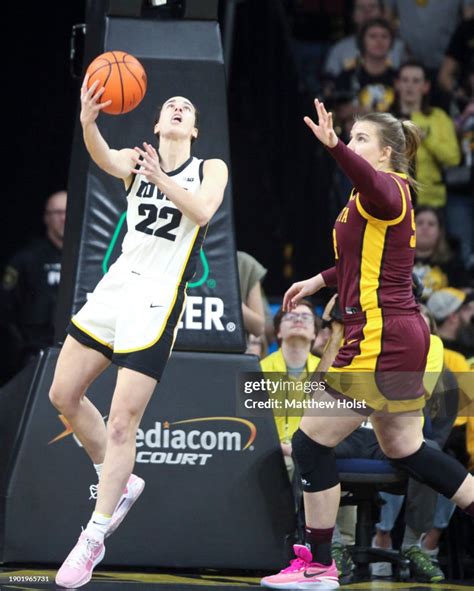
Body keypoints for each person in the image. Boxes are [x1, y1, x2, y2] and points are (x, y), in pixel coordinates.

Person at [260, 100, 474, 590]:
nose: (352, 144)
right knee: (404, 446)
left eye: (362, 139)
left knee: (310, 440)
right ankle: (319, 562)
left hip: (381, 336)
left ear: (387, 154)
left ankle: (317, 564)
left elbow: (370, 184)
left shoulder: (387, 190)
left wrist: (335, 145)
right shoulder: (373, 201)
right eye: (351, 137)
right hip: (396, 333)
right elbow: (362, 262)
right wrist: (319, 279)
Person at [50, 79, 228, 589]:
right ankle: (118, 477)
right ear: (156, 123)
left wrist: (159, 178)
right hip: (117, 287)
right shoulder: (137, 158)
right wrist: (88, 122)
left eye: (186, 106)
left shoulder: (208, 168)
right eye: (170, 104)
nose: (177, 107)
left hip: (158, 298)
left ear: (193, 129)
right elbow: (104, 156)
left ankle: (94, 537)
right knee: (63, 395)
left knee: (124, 422)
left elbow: (203, 211)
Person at [0, 190, 67, 383]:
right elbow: (6, 309)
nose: (63, 218)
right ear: (47, 217)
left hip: (76, 350)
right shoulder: (27, 259)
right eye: (57, 213)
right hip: (34, 356)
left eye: (67, 211)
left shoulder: (91, 258)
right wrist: (21, 349)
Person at [260, 300, 320, 479]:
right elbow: (250, 426)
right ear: (278, 331)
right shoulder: (258, 369)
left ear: (314, 333)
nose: (298, 320)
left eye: (305, 317)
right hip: (272, 452)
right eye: (291, 316)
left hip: (315, 451)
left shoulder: (328, 371)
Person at [392, 61, 461, 209]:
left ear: (426, 87)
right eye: (405, 80)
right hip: (394, 200)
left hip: (431, 201)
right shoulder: (386, 118)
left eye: (416, 81)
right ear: (397, 84)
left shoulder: (438, 117)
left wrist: (425, 137)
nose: (410, 86)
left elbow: (453, 158)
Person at [323, 0, 405, 80]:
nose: (367, 11)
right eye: (360, 7)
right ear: (353, 15)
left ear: (382, 12)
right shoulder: (339, 49)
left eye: (372, 6)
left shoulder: (400, 48)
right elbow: (329, 84)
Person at [332, 18, 398, 114]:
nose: (379, 41)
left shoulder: (400, 77)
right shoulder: (347, 76)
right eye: (372, 36)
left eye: (384, 36)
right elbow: (339, 111)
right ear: (362, 42)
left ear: (391, 42)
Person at [413, 206, 470, 300]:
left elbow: (467, 292)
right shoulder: (396, 261)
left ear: (440, 231)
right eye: (419, 223)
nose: (425, 227)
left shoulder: (453, 263)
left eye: (431, 224)